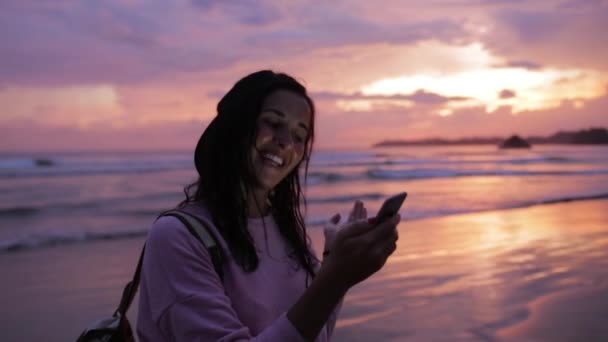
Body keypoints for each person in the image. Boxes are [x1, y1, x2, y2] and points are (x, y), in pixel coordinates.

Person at [136, 70, 400, 341]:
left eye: (299, 136)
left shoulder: (287, 233)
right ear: (236, 126)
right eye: (273, 123)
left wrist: (333, 262)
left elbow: (315, 333)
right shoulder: (177, 237)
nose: (286, 142)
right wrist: (336, 277)